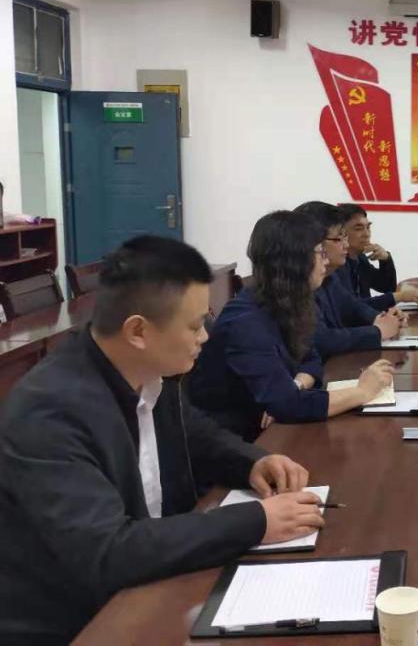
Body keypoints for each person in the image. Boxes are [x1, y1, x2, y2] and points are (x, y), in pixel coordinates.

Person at [0, 236, 325, 645]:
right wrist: (257, 521)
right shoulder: (49, 412)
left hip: (153, 582)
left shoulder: (150, 370)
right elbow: (109, 552)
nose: (205, 336)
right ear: (138, 331)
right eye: (194, 326)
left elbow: (196, 434)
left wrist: (253, 461)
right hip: (80, 622)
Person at [189, 211, 393, 442]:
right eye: (320, 253)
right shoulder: (245, 320)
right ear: (295, 261)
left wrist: (295, 385)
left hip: (273, 433)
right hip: (238, 443)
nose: (325, 261)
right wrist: (362, 392)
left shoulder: (287, 303)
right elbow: (287, 405)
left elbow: (312, 358)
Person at [294, 201, 404, 357]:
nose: (346, 245)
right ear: (312, 243)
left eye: (345, 237)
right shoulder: (296, 284)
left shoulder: (330, 277)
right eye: (339, 238)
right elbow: (321, 340)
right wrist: (378, 331)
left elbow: (352, 307)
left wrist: (383, 318)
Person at [338, 203, 418, 310]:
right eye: (359, 229)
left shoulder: (360, 258)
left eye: (368, 227)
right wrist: (399, 296)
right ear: (341, 233)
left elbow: (386, 287)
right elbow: (351, 308)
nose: (367, 234)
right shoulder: (335, 265)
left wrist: (385, 260)